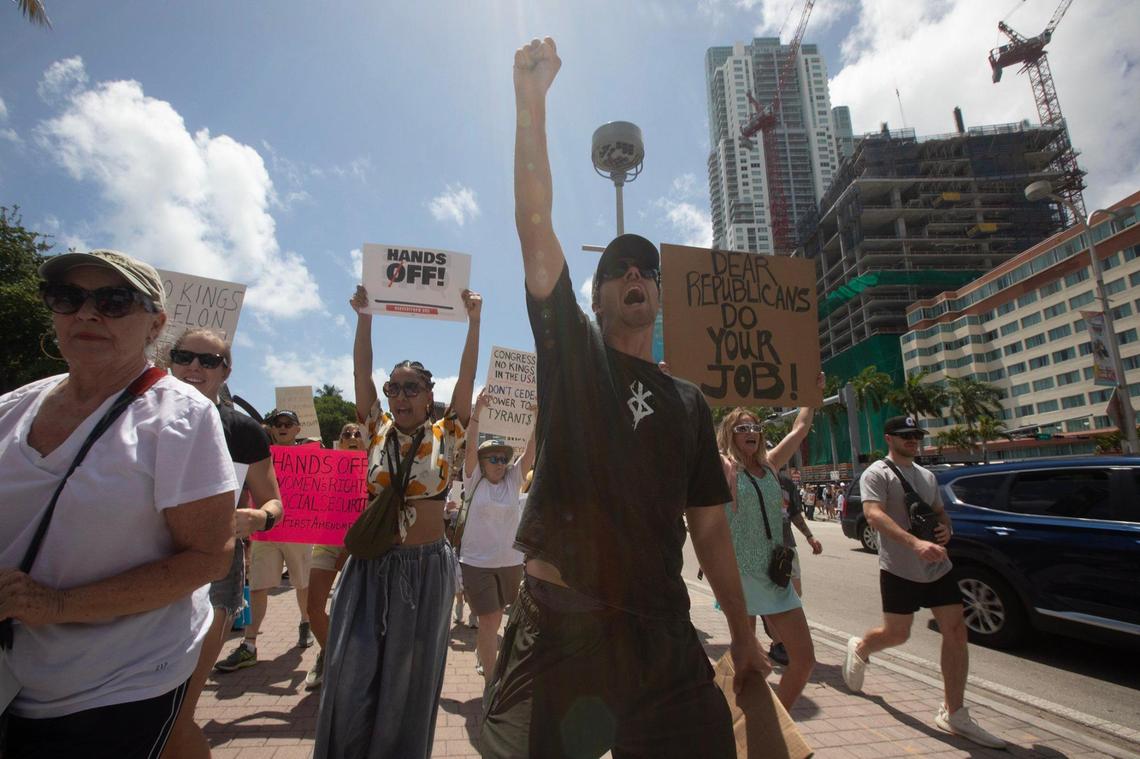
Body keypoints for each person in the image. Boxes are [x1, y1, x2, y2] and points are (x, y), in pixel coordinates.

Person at [480, 38, 769, 759]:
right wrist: (531, 104)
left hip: (660, 630)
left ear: (657, 295)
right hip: (566, 629)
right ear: (599, 295)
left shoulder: (689, 402)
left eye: (647, 268)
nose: (635, 273)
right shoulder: (575, 357)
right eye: (618, 268)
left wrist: (740, 627)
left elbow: (708, 529)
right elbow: (535, 226)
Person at [0, 249, 236, 758]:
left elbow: (209, 558)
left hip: (117, 683)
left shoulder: (182, 417)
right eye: (68, 298)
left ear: (155, 324)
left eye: (114, 301)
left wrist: (56, 606)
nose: (87, 313)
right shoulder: (10, 409)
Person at [312, 285, 481, 759]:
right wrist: (364, 316)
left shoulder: (448, 433)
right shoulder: (373, 428)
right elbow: (359, 369)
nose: (400, 394)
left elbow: (467, 376)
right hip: (369, 568)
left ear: (430, 396)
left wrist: (474, 322)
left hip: (426, 572)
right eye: (394, 388)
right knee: (353, 673)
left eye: (412, 388)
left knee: (409, 681)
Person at [843, 415, 1005, 748]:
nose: (913, 440)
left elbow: (938, 512)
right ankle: (861, 647)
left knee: (957, 629)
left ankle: (954, 713)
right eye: (906, 435)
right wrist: (914, 543)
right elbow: (873, 514)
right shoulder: (877, 473)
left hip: (937, 567)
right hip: (899, 568)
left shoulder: (928, 475)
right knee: (897, 634)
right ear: (889, 438)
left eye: (916, 434)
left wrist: (947, 529)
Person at [162, 327, 284, 757]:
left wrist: (259, 517)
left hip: (216, 569)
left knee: (179, 713)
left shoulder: (243, 430)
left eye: (208, 361)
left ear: (226, 370)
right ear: (168, 359)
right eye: (184, 356)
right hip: (142, 562)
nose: (194, 367)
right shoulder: (134, 415)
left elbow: (273, 501)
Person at [716, 394, 821, 710]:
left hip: (775, 575)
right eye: (742, 427)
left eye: (755, 426)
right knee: (748, 664)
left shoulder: (772, 465)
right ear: (729, 434)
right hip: (740, 575)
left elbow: (800, 428)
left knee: (804, 660)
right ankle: (742, 725)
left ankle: (773, 725)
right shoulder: (722, 465)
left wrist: (811, 395)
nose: (751, 431)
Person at [215, 408, 314, 672]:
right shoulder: (254, 452)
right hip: (265, 531)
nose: (282, 427)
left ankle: (305, 621)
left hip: (298, 531)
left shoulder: (312, 454)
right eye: (276, 423)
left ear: (297, 429)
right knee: (258, 585)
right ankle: (249, 644)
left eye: (287, 423)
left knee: (302, 582)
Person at [460, 391, 536, 685]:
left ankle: (486, 652)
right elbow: (469, 448)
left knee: (504, 619)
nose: (500, 462)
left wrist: (536, 418)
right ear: (482, 460)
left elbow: (530, 451)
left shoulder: (513, 479)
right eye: (494, 457)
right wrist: (477, 412)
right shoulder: (474, 479)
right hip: (477, 564)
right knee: (490, 620)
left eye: (504, 458)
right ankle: (491, 685)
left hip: (510, 563)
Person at [303, 421, 364, 691]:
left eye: (357, 434)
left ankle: (353, 661)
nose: (351, 437)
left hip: (359, 547)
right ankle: (329, 652)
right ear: (339, 440)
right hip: (326, 541)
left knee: (357, 609)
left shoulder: (376, 469)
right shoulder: (324, 468)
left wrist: (351, 549)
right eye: (346, 433)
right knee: (313, 606)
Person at [764, 469, 822, 666]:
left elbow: (794, 512)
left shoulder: (786, 482)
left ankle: (781, 634)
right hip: (764, 547)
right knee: (772, 598)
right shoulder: (750, 477)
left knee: (795, 593)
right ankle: (778, 643)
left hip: (787, 545)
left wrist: (809, 536)